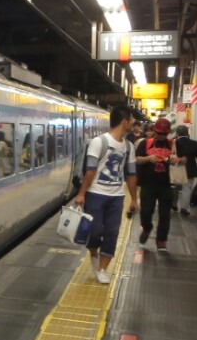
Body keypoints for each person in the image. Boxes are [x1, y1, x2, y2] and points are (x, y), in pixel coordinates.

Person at [74, 104, 138, 284]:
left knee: (112, 233)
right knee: (94, 232)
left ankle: (102, 269)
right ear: (124, 121)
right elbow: (90, 170)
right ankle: (94, 253)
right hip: (96, 194)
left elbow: (131, 174)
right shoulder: (99, 142)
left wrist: (134, 199)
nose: (133, 123)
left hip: (117, 196)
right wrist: (81, 194)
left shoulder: (129, 147)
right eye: (131, 120)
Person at [135, 118, 181, 250]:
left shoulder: (172, 144)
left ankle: (161, 239)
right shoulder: (145, 143)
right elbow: (137, 159)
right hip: (148, 184)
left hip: (166, 184)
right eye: (160, 133)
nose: (162, 136)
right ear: (155, 131)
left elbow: (183, 158)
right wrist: (148, 158)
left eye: (165, 134)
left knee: (165, 214)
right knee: (146, 211)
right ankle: (147, 227)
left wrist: (176, 159)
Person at [173, 124, 197, 216]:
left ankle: (173, 204)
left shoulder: (173, 143)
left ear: (177, 134)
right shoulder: (194, 143)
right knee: (187, 189)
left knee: (174, 187)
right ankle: (184, 208)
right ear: (187, 134)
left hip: (176, 168)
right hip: (190, 169)